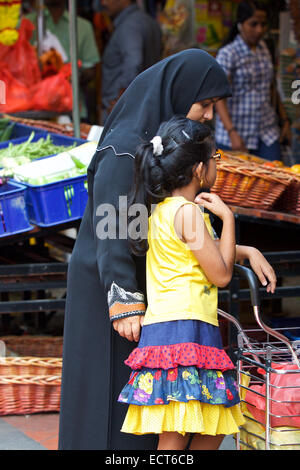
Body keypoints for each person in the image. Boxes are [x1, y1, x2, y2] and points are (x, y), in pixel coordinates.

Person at [58, 49, 277, 450]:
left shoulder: (156, 144)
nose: (210, 114)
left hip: (143, 286)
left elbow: (161, 231)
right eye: (205, 103)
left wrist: (238, 248)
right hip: (109, 286)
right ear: (178, 92)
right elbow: (114, 226)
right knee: (111, 397)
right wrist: (124, 300)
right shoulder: (127, 146)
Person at [118, 116, 245, 449]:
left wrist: (248, 250)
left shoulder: (163, 211)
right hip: (183, 331)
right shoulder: (188, 214)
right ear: (199, 170)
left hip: (176, 329)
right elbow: (221, 274)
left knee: (204, 421)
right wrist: (229, 218)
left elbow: (201, 256)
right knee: (190, 427)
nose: (218, 165)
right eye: (215, 158)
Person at [215, 0, 291, 160]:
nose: (259, 29)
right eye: (253, 24)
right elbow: (218, 97)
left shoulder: (264, 48)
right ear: (241, 24)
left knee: (275, 178)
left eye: (263, 24)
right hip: (236, 133)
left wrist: (284, 120)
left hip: (266, 131)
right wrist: (231, 132)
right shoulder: (228, 54)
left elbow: (271, 87)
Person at [26, 0, 100, 120]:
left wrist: (65, 78)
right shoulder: (28, 24)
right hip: (32, 109)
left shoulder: (83, 27)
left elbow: (91, 69)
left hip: (72, 109)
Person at [99, 0, 162, 124]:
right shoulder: (148, 21)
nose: (103, 2)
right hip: (142, 107)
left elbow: (133, 63)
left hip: (123, 112)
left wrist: (121, 100)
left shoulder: (130, 25)